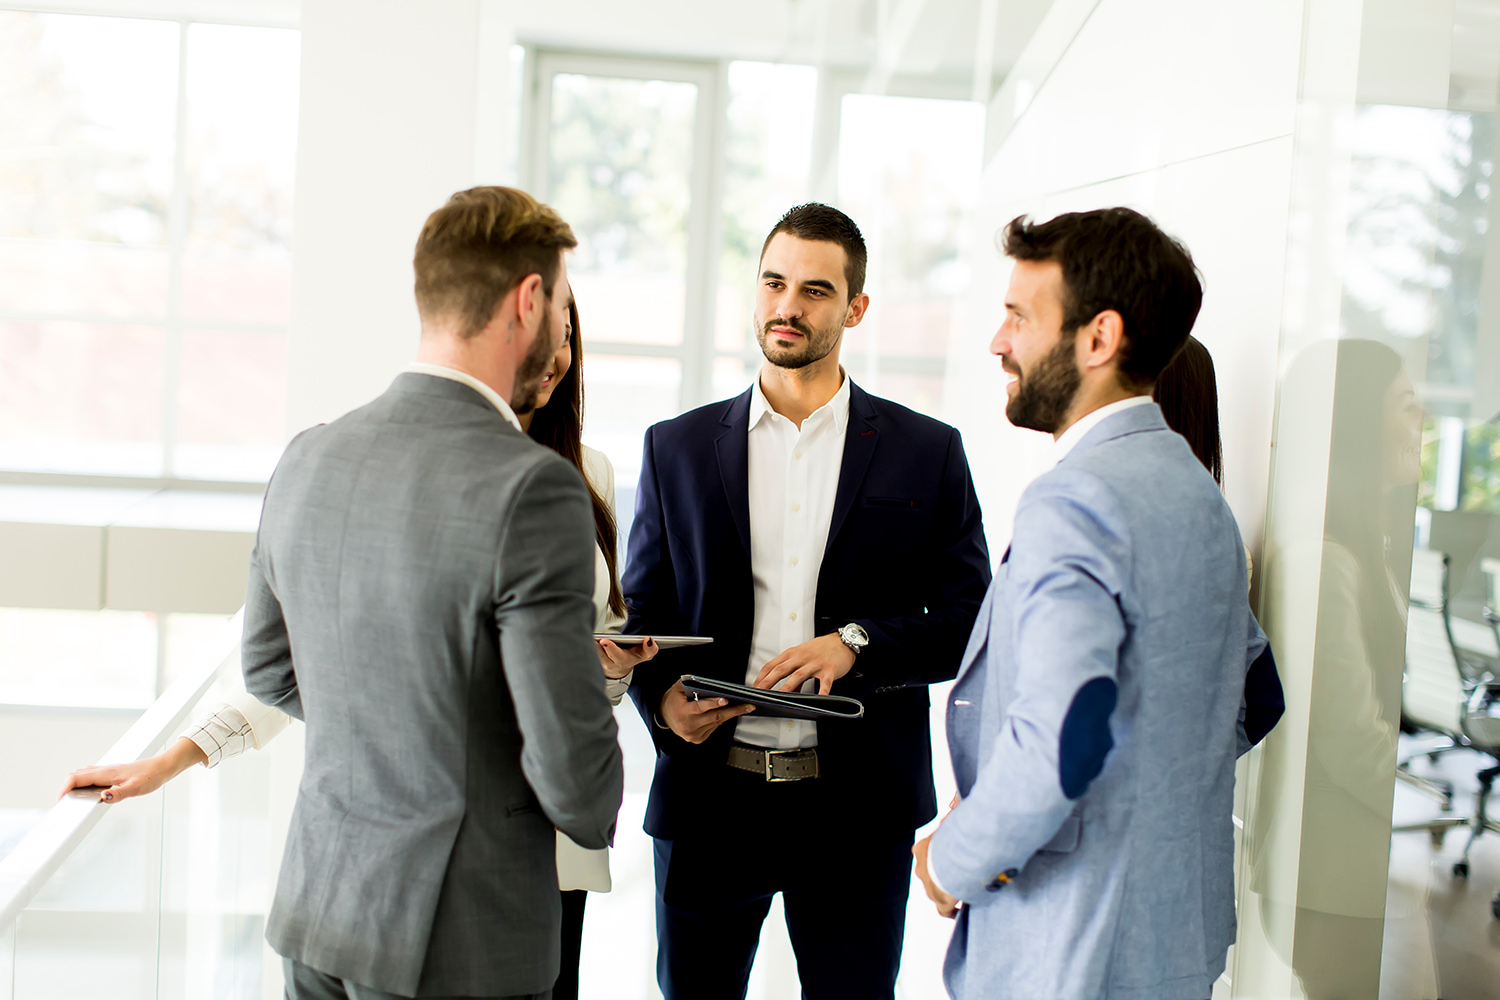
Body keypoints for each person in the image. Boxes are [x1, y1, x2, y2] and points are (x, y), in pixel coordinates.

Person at [60, 287, 646, 1000]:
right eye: (547, 336)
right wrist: (179, 754)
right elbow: (320, 655)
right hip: (430, 860)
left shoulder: (588, 474)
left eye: (569, 340)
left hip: (540, 851)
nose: (557, 358)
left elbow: (589, 652)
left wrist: (607, 670)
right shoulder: (410, 473)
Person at [248, 185, 620, 1000]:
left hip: (318, 911)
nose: (563, 330)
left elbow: (270, 672)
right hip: (459, 940)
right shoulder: (534, 487)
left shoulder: (308, 454)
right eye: (560, 305)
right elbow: (576, 783)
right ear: (529, 300)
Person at [623, 202, 991, 999]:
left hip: (858, 809)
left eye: (816, 290)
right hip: (710, 801)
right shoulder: (674, 449)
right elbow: (643, 616)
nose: (788, 306)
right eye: (774, 283)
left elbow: (971, 624)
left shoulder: (928, 453)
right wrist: (661, 704)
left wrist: (856, 642)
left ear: (856, 309)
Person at [913, 207, 1283, 1000]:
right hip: (1168, 934)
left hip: (1067, 947)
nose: (997, 341)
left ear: (1098, 338)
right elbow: (1256, 691)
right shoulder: (1197, 495)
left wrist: (957, 856)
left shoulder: (1075, 501)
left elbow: (1063, 735)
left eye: (1018, 316)